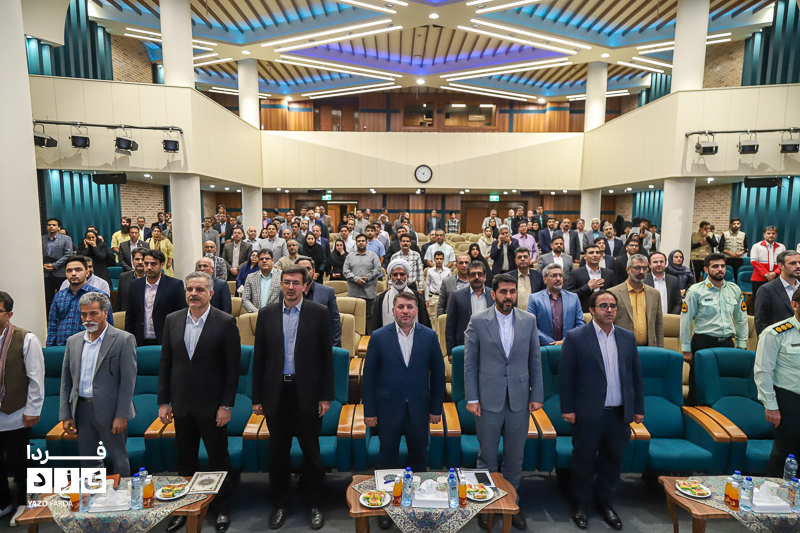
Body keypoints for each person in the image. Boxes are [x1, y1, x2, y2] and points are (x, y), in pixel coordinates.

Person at [252, 266, 333, 530]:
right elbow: (260, 358)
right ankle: (280, 504)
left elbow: (327, 357)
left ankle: (314, 503)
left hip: (307, 392)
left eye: (296, 283)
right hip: (276, 394)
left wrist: (325, 396)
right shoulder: (266, 314)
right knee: (278, 453)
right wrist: (257, 397)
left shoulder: (319, 313)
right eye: (286, 282)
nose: (291, 287)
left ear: (305, 286)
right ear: (281, 284)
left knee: (311, 452)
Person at [159, 272, 240, 533]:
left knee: (218, 460)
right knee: (186, 461)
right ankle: (184, 508)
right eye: (190, 289)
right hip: (181, 404)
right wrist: (164, 402)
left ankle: (221, 507)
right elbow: (166, 363)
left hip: (213, 406)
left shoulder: (225, 321)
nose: (193, 293)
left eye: (199, 290)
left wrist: (226, 405)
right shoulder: (172, 320)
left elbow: (233, 368)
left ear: (211, 293)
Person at [560, 290, 644, 531]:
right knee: (583, 462)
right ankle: (580, 504)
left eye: (613, 306)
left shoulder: (627, 337)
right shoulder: (576, 337)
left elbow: (635, 376)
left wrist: (638, 407)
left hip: (619, 414)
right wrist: (568, 408)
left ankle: (605, 503)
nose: (609, 310)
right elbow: (566, 377)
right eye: (603, 306)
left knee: (612, 462)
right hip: (588, 413)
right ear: (592, 310)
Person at [464, 273, 543, 530]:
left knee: (514, 457)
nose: (508, 297)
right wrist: (472, 398)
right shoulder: (478, 321)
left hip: (519, 398)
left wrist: (537, 395)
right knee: (486, 456)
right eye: (503, 292)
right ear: (493, 294)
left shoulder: (529, 320)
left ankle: (511, 502)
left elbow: (535, 360)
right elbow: (469, 363)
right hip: (488, 399)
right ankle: (485, 503)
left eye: (512, 292)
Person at [362, 292, 446, 524]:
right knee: (387, 461)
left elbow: (439, 375)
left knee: (418, 459)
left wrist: (436, 408)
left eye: (410, 307)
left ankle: (416, 506)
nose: (405, 311)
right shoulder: (379, 336)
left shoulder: (429, 336)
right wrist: (369, 411)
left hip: (419, 409)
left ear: (417, 310)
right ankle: (386, 509)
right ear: (393, 310)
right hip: (388, 409)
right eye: (401, 307)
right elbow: (368, 377)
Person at [681, 253, 749, 405]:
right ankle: (694, 414)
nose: (720, 269)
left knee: (724, 385)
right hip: (703, 343)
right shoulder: (696, 290)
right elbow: (685, 321)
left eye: (723, 266)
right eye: (715, 266)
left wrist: (742, 344)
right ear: (706, 269)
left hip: (727, 344)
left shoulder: (734, 289)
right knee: (699, 385)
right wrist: (686, 348)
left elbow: (741, 319)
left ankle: (721, 414)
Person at [0, 292, 44, 525]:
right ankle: (4, 502)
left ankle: (23, 504)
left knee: (19, 464)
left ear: (9, 314)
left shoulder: (26, 339)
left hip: (16, 414)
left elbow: (36, 378)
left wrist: (33, 410)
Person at [754, 289, 800, 478]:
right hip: (790, 401)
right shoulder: (775, 333)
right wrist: (770, 406)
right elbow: (763, 372)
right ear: (794, 305)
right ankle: (775, 492)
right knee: (785, 455)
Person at [47, 256, 114, 347]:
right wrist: (51, 348)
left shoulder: (99, 296)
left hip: (90, 346)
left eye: (78, 270)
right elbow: (53, 325)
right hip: (62, 347)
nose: (73, 273)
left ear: (87, 273)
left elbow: (108, 326)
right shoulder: (59, 296)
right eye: (69, 271)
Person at [124, 250, 186, 346]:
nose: (149, 267)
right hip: (140, 340)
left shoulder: (175, 285)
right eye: (146, 264)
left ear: (162, 264)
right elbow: (130, 315)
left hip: (166, 340)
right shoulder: (135, 285)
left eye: (153, 264)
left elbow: (181, 315)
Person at [608, 254, 664, 347]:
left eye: (644, 268)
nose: (641, 271)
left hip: (649, 348)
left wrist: (660, 349)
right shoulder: (613, 293)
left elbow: (659, 325)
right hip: (622, 347)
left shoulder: (654, 294)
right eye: (637, 268)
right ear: (628, 270)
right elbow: (608, 323)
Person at [527, 264, 585, 346]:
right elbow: (531, 326)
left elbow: (580, 324)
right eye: (553, 275)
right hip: (544, 347)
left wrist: (565, 341)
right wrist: (551, 343)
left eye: (560, 275)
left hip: (569, 346)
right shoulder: (534, 298)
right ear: (545, 279)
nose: (558, 279)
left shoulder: (573, 298)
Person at [445, 261, 494, 358]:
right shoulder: (456, 296)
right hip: (465, 345)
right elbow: (450, 324)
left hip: (490, 345)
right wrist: (450, 351)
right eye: (473, 274)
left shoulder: (493, 295)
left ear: (485, 277)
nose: (476, 277)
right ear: (467, 277)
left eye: (480, 274)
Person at [372, 259, 431, 332]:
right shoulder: (381, 299)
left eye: (402, 274)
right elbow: (375, 327)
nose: (399, 278)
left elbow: (425, 326)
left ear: (407, 276)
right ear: (390, 277)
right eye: (395, 275)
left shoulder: (418, 297)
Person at [295, 257, 342, 348]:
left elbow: (334, 322)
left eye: (308, 269)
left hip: (320, 345)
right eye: (301, 269)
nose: (305, 272)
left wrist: (334, 347)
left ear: (314, 271)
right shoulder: (287, 293)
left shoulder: (327, 292)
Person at [754, 250, 800, 336]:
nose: (798, 266)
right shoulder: (766, 290)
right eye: (792, 263)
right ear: (781, 266)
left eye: (799, 263)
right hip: (778, 340)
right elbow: (761, 322)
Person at [344, 235, 382, 334]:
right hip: (354, 292)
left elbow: (378, 270)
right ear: (356, 243)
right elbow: (345, 271)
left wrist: (366, 278)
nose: (361, 243)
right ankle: (356, 336)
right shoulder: (349, 256)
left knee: (370, 315)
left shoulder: (373, 255)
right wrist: (357, 279)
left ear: (366, 242)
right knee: (354, 315)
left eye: (363, 241)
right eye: (359, 241)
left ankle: (369, 337)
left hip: (369, 291)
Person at [566, 244, 617, 313]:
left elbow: (614, 294)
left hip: (605, 312)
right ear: (585, 257)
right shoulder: (575, 273)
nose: (595, 255)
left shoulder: (609, 273)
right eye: (591, 253)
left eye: (597, 252)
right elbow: (569, 295)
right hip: (583, 313)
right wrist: (588, 287)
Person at [42, 217, 74, 312]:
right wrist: (43, 265)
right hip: (46, 273)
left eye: (54, 225)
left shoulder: (66, 239)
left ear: (58, 227)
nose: (51, 226)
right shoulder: (42, 239)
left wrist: (54, 265)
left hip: (60, 272)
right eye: (49, 225)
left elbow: (68, 254)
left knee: (63, 297)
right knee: (47, 298)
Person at [750, 225, 786, 299]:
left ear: (776, 235)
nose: (771, 235)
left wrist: (775, 273)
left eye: (773, 233)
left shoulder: (781, 247)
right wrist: (766, 274)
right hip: (759, 278)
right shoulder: (756, 246)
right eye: (768, 233)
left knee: (776, 300)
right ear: (764, 235)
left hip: (776, 278)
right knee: (758, 299)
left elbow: (783, 263)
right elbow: (754, 262)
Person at [242, 249, 281, 314]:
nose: (264, 261)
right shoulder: (250, 277)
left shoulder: (282, 275)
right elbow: (245, 299)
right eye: (261, 259)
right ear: (258, 262)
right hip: (256, 315)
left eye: (267, 258)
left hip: (277, 315)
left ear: (272, 261)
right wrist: (257, 313)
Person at [437, 254, 471, 321]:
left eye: (466, 262)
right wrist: (442, 322)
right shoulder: (447, 282)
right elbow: (441, 305)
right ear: (456, 266)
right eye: (461, 263)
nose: (464, 265)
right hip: (453, 319)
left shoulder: (476, 281)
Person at [114, 248, 147, 313]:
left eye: (143, 259)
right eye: (137, 259)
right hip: (126, 315)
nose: (140, 262)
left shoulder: (152, 279)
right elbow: (118, 301)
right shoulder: (123, 277)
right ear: (132, 261)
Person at [425, 251, 450, 318]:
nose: (439, 261)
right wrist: (426, 299)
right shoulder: (430, 271)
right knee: (433, 317)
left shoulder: (448, 270)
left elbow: (450, 284)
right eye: (437, 259)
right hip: (433, 296)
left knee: (444, 316)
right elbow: (427, 285)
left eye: (441, 259)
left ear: (443, 259)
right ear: (434, 259)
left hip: (445, 296)